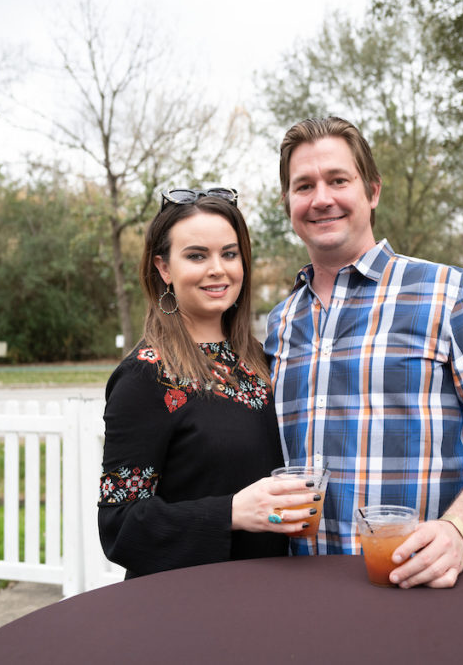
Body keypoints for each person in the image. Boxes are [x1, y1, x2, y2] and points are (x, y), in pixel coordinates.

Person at [265, 118, 463, 589]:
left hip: (424, 583)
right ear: (288, 203)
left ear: (372, 191)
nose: (321, 198)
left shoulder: (449, 294)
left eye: (339, 180)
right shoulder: (279, 324)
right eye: (303, 185)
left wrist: (458, 531)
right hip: (307, 591)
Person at [98, 188, 318, 579]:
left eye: (229, 254)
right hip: (188, 603)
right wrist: (231, 512)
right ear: (163, 268)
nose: (218, 269)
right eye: (197, 255)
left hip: (272, 591)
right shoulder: (145, 377)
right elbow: (120, 526)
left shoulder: (262, 360)